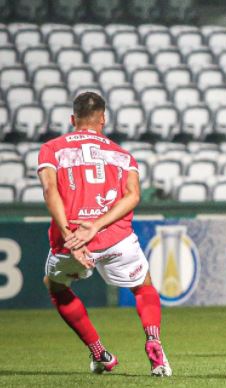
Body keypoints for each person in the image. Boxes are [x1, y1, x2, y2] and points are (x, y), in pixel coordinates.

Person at [37, 92, 172, 377]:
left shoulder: (51, 149)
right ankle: (154, 344)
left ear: (73, 119)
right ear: (104, 119)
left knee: (56, 285)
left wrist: (70, 234)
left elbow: (50, 191)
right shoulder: (123, 155)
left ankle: (100, 354)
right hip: (116, 238)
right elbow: (133, 196)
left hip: (71, 240)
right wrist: (96, 226)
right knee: (143, 286)